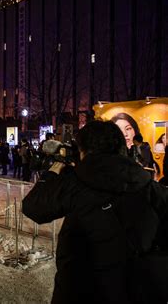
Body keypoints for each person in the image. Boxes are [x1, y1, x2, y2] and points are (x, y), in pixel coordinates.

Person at [22, 120, 168, 304]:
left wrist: (55, 168)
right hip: (139, 292)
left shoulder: (75, 184)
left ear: (84, 150)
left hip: (80, 290)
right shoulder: (149, 187)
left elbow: (33, 207)